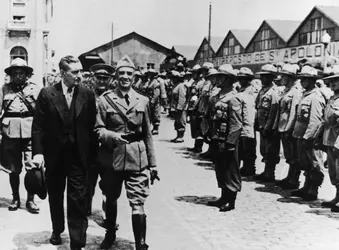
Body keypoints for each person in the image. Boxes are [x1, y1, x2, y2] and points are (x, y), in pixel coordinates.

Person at [32, 55, 98, 250]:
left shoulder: (88, 94)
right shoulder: (47, 94)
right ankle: (57, 229)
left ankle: (77, 241)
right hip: (55, 156)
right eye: (75, 72)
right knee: (55, 195)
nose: (80, 76)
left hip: (79, 156)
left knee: (77, 198)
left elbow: (92, 128)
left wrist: (92, 158)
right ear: (63, 73)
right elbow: (38, 127)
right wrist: (38, 153)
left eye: (81, 71)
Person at [95, 55, 159, 250]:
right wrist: (112, 136)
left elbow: (147, 134)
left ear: (134, 76)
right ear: (116, 76)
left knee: (138, 200)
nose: (125, 77)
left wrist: (153, 164)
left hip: (136, 158)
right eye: (121, 73)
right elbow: (98, 129)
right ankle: (110, 234)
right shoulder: (105, 100)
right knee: (111, 197)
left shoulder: (143, 100)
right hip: (112, 156)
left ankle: (140, 243)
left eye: (129, 73)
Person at [0, 58, 41, 213]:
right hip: (10, 133)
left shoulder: (35, 89)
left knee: (32, 167)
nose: (18, 76)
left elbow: (41, 112)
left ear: (27, 75)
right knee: (13, 168)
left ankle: (30, 200)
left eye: (21, 73)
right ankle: (15, 198)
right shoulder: (4, 89)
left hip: (30, 132)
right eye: (15, 73)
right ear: (10, 75)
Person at [205, 64, 243, 212]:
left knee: (230, 169)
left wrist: (231, 142)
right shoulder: (216, 96)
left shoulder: (233, 98)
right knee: (220, 168)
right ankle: (223, 196)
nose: (217, 79)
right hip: (216, 137)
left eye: (221, 77)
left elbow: (236, 124)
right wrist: (209, 133)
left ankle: (230, 200)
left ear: (227, 79)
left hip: (227, 140)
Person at [290, 65, 326, 201]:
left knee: (315, 164)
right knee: (305, 163)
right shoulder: (305, 95)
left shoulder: (315, 97)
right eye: (301, 79)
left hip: (309, 138)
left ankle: (313, 189)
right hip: (301, 136)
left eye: (305, 79)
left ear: (312, 80)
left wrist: (308, 137)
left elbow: (315, 120)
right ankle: (306, 186)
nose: (301, 81)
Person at [86, 63, 115, 216]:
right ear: (93, 79)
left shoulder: (114, 98)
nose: (102, 81)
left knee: (108, 182)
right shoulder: (86, 96)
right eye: (99, 78)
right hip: (90, 145)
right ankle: (86, 208)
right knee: (88, 180)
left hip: (107, 147)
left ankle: (107, 213)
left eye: (105, 78)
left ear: (110, 79)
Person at [274, 64, 303, 189]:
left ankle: (294, 179)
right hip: (283, 126)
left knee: (293, 155)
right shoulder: (287, 90)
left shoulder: (295, 91)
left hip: (288, 128)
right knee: (288, 154)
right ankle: (289, 177)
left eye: (284, 77)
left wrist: (288, 129)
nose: (281, 79)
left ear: (290, 77)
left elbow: (293, 112)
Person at [253, 64, 281, 182]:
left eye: (265, 77)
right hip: (262, 125)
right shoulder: (262, 90)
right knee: (264, 149)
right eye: (262, 76)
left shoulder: (273, 92)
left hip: (269, 127)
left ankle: (270, 173)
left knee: (271, 151)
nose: (262, 79)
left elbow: (273, 112)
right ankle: (266, 171)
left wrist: (268, 127)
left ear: (271, 78)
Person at [322, 65, 339, 212]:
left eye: (336, 80)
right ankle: (337, 197)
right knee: (333, 171)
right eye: (331, 80)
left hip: (338, 142)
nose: (333, 83)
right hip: (330, 139)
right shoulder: (331, 98)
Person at [236, 67, 257, 177]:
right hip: (240, 121)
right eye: (240, 78)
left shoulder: (252, 91)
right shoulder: (240, 89)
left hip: (249, 122)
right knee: (241, 146)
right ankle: (245, 166)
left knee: (249, 146)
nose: (242, 80)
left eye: (244, 79)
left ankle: (250, 167)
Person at [170, 71, 187, 143]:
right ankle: (178, 136)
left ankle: (181, 137)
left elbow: (182, 97)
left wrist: (180, 107)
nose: (173, 79)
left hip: (180, 107)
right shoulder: (175, 85)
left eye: (175, 78)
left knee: (181, 121)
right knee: (177, 122)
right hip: (175, 107)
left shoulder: (181, 85)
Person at [145, 68, 161, 135]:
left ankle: (156, 128)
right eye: (148, 74)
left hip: (154, 101)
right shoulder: (149, 82)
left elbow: (156, 93)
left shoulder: (155, 82)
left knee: (155, 114)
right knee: (149, 114)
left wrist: (152, 101)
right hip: (149, 100)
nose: (149, 75)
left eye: (150, 74)